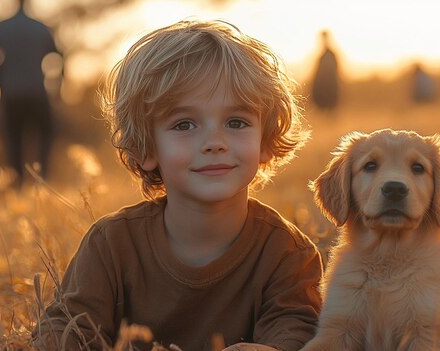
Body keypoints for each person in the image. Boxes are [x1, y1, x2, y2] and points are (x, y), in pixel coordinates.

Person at [31, 20, 323, 351]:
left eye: (236, 122)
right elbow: (64, 329)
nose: (215, 141)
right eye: (184, 124)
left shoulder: (286, 252)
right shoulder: (111, 245)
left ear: (265, 140)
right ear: (147, 149)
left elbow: (297, 331)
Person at [0, 0, 61, 187]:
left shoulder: (2, 27)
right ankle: (42, 179)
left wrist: (1, 80)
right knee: (45, 135)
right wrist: (57, 87)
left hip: (12, 95)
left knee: (13, 139)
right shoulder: (39, 27)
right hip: (37, 93)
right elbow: (58, 56)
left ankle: (18, 183)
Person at [311, 30, 339, 112]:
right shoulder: (322, 56)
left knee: (329, 109)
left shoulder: (330, 55)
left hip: (329, 86)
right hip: (322, 87)